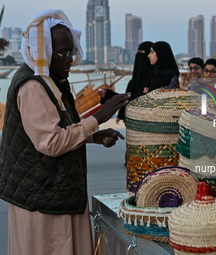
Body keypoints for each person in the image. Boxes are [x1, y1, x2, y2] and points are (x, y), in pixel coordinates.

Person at [0, 10, 130, 255]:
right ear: (45, 52)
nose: (70, 59)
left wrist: (92, 136)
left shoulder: (50, 79)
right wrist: (98, 117)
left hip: (55, 190)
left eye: (72, 51)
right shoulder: (32, 86)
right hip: (43, 198)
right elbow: (51, 142)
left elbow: (57, 128)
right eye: (63, 53)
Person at [98, 41, 153, 125]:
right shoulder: (133, 82)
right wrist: (108, 95)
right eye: (138, 52)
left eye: (142, 52)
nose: (139, 55)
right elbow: (129, 98)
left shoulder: (156, 79)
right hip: (134, 124)